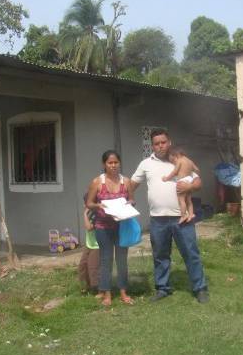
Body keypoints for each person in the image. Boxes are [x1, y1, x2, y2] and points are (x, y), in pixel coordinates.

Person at [130, 128, 209, 304]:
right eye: (156, 143)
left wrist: (190, 187)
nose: (160, 146)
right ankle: (163, 288)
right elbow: (132, 183)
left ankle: (200, 288)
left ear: (169, 142)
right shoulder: (146, 164)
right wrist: (127, 197)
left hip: (182, 218)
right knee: (160, 255)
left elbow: (198, 181)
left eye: (163, 142)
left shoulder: (179, 159)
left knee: (191, 253)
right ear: (152, 145)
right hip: (158, 219)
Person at [86, 150, 135, 306]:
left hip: (122, 227)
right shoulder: (97, 182)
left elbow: (132, 199)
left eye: (116, 162)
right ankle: (107, 294)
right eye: (110, 163)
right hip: (103, 227)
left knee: (122, 260)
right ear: (104, 164)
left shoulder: (126, 182)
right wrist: (99, 205)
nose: (113, 165)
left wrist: (130, 204)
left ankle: (123, 292)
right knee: (106, 260)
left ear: (119, 163)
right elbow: (89, 203)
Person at [162, 146, 200, 224]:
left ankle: (183, 215)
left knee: (181, 200)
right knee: (189, 200)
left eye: (172, 159)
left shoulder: (180, 160)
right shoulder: (189, 161)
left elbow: (175, 172)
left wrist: (167, 178)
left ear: (175, 155)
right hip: (189, 181)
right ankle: (191, 214)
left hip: (182, 181)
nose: (173, 161)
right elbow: (197, 170)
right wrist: (192, 179)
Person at [78, 194, 100, 296]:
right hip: (89, 244)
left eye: (86, 203)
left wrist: (85, 214)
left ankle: (97, 289)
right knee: (82, 265)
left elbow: (89, 227)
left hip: (97, 246)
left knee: (93, 268)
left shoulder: (97, 214)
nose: (84, 205)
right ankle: (85, 286)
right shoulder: (91, 212)